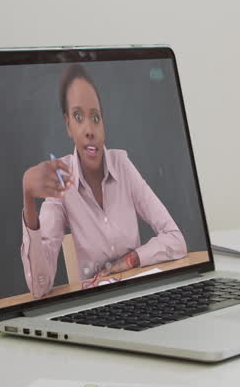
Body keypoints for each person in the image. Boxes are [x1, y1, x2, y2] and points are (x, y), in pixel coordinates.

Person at [20, 64, 186, 298]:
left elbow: (176, 239)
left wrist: (131, 259)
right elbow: (39, 286)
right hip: (94, 303)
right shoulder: (62, 179)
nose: (89, 130)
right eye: (78, 117)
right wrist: (28, 197)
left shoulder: (122, 164)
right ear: (68, 125)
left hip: (137, 295)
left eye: (95, 118)